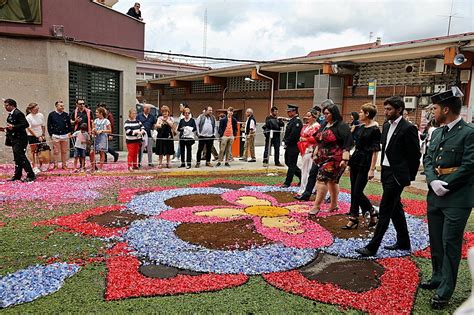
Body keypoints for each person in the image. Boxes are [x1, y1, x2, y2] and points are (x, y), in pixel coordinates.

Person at [421, 86, 474, 310]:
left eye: (434, 108)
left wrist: (447, 185)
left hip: (457, 199)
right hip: (436, 196)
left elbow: (470, 165)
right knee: (435, 241)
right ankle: (437, 277)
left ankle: (445, 290)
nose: (432, 112)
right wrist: (433, 181)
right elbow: (428, 159)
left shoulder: (469, 132)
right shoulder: (438, 132)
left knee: (450, 243)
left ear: (445, 108)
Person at [355, 96, 421, 257]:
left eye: (389, 109)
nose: (386, 112)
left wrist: (406, 177)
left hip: (396, 176)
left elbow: (415, 155)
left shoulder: (408, 128)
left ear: (399, 110)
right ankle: (404, 241)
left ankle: (373, 246)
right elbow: (385, 150)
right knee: (395, 208)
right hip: (386, 172)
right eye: (385, 109)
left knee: (385, 209)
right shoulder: (385, 125)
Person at [342, 103, 381, 230]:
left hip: (366, 162)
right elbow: (354, 142)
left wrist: (372, 169)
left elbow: (375, 151)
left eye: (361, 112)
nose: (359, 114)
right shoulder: (361, 126)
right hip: (356, 160)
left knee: (357, 191)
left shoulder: (375, 129)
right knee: (354, 190)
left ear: (367, 114)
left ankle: (368, 211)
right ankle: (356, 217)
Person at [309, 104, 353, 215]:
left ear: (334, 114)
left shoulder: (342, 126)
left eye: (327, 113)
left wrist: (345, 159)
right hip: (323, 157)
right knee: (332, 182)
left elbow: (347, 143)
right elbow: (319, 141)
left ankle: (316, 206)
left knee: (321, 179)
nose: (325, 116)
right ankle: (334, 205)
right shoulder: (324, 124)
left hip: (336, 159)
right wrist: (315, 153)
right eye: (324, 113)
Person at [1, 98, 36, 181]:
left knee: (21, 157)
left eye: (7, 105)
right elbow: (13, 127)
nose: (5, 107)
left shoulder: (18, 113)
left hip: (20, 139)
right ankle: (17, 175)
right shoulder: (11, 114)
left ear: (12, 105)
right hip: (15, 138)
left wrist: (13, 127)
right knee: (17, 157)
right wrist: (5, 129)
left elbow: (25, 124)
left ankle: (31, 175)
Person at [294, 105, 323, 201]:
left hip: (311, 151)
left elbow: (316, 139)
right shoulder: (307, 126)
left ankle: (306, 190)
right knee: (304, 171)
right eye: (306, 115)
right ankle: (304, 189)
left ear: (314, 117)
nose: (307, 117)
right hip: (304, 150)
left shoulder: (316, 126)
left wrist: (305, 138)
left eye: (309, 116)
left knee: (308, 171)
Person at [282, 104, 303, 188]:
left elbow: (294, 134)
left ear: (294, 111)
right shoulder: (292, 121)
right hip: (289, 145)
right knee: (288, 162)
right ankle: (301, 176)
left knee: (291, 164)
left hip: (294, 146)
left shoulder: (297, 122)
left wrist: (286, 141)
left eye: (289, 111)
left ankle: (287, 182)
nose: (288, 113)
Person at [47, 100, 72, 170]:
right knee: (56, 151)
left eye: (63, 106)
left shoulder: (66, 115)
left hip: (64, 135)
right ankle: (55, 165)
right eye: (61, 106)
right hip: (55, 135)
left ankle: (64, 165)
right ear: (56, 106)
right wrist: (51, 134)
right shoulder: (52, 114)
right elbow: (49, 125)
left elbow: (69, 125)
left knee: (64, 151)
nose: (62, 107)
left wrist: (69, 132)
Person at [25, 102, 45, 174]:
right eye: (35, 109)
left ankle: (41, 165)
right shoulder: (28, 117)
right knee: (33, 151)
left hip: (40, 135)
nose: (37, 110)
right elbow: (29, 128)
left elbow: (43, 125)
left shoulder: (40, 115)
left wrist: (43, 135)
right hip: (32, 135)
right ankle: (34, 166)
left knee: (40, 151)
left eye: (38, 108)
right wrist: (36, 136)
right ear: (31, 110)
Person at [92, 107, 111, 171]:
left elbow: (110, 130)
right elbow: (93, 128)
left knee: (101, 153)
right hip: (96, 137)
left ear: (101, 113)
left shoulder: (106, 121)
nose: (96, 113)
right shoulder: (95, 120)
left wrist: (102, 131)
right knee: (92, 152)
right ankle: (93, 166)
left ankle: (100, 167)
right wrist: (93, 131)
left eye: (97, 112)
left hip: (103, 138)